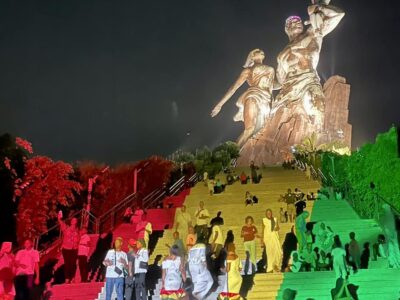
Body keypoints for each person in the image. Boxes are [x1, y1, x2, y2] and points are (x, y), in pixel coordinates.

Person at [211, 49, 275, 147]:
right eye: (256, 51)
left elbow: (275, 85)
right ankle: (233, 155)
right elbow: (234, 88)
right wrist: (219, 105)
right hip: (253, 96)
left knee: (264, 129)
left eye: (261, 50)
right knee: (250, 128)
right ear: (252, 57)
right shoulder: (247, 70)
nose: (260, 51)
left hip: (267, 100)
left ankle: (252, 156)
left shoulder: (271, 69)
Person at [188, 235, 213, 300]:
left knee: (196, 282)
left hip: (191, 267)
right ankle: (198, 294)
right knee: (210, 281)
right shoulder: (202, 245)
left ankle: (198, 295)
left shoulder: (192, 248)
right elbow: (203, 258)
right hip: (198, 266)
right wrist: (206, 268)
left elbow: (189, 259)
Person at [58, 213, 80, 284]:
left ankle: (72, 277)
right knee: (67, 263)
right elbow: (61, 223)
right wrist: (59, 218)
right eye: (73, 220)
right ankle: (67, 278)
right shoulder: (66, 228)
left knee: (73, 263)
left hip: (74, 248)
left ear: (76, 222)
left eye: (75, 220)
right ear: (71, 221)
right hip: (66, 248)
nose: (73, 221)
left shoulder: (77, 230)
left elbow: (79, 238)